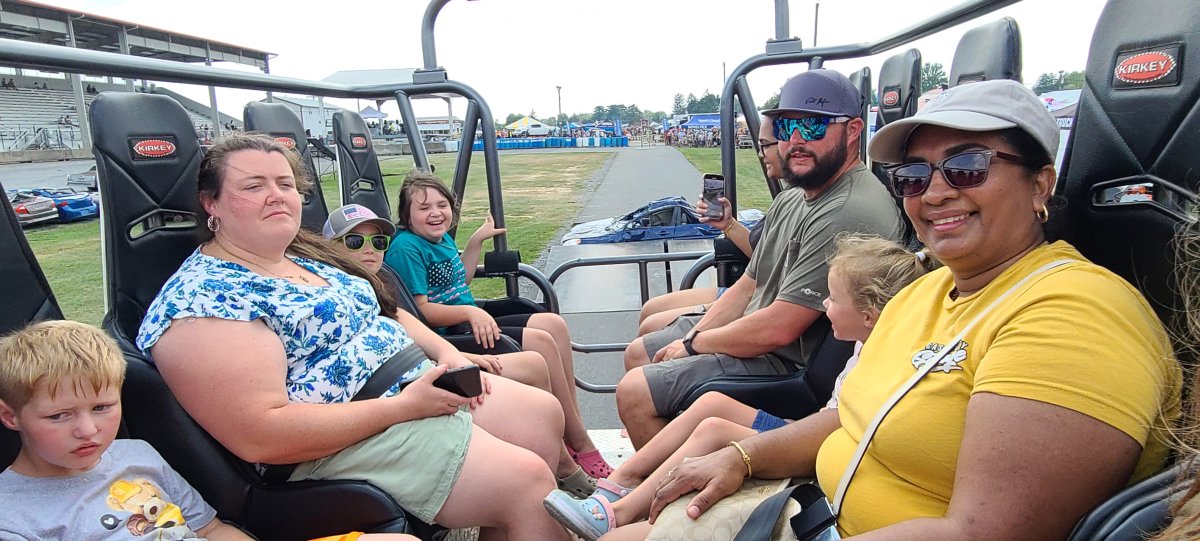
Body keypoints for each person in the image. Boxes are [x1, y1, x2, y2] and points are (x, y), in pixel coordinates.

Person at [635, 79, 1181, 541]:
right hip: (811, 508)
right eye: (914, 176)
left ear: (1040, 183)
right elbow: (847, 420)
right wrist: (743, 458)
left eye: (966, 167)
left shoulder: (1071, 315)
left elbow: (981, 533)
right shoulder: (928, 291)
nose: (934, 192)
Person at [136, 133, 571, 540]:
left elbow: (389, 309)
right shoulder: (205, 300)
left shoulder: (302, 256)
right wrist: (404, 408)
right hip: (342, 435)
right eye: (253, 186)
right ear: (211, 203)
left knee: (541, 417)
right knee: (529, 485)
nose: (276, 195)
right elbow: (262, 434)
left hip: (408, 385)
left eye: (285, 184)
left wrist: (445, 355)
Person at [543, 235, 939, 540]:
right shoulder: (863, 343)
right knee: (712, 404)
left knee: (713, 428)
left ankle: (622, 510)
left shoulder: (878, 359)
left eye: (833, 299)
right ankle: (618, 487)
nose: (824, 305)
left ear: (869, 316)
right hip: (812, 430)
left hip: (810, 442)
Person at [617, 69, 905, 449]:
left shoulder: (848, 208)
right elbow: (750, 282)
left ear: (853, 131)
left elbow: (779, 329)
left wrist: (696, 345)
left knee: (635, 392)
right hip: (764, 340)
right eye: (787, 128)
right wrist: (693, 337)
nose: (796, 141)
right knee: (641, 354)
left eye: (814, 127)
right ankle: (669, 478)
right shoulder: (795, 195)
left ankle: (672, 497)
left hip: (790, 363)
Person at [0, 320, 418, 541]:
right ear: (10, 416)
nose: (88, 430)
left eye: (102, 407)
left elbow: (211, 529)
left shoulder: (137, 455)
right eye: (59, 416)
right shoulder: (13, 517)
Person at [322, 202, 596, 495]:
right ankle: (564, 466)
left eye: (378, 242)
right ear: (327, 248)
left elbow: (412, 329)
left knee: (539, 357)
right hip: (409, 382)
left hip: (433, 357)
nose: (369, 249)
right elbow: (405, 335)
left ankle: (562, 459)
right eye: (354, 241)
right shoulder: (345, 293)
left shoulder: (378, 281)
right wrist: (462, 355)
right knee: (533, 368)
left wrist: (460, 357)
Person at [383, 170, 613, 479]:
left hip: (468, 318)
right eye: (424, 208)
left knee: (553, 325)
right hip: (450, 334)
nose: (435, 213)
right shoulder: (407, 247)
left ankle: (574, 430)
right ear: (407, 216)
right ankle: (578, 443)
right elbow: (421, 311)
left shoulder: (440, 241)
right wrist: (470, 314)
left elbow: (459, 281)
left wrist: (476, 240)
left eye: (442, 205)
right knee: (541, 342)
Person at [634, 116, 783, 337]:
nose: (760, 154)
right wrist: (728, 224)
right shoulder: (787, 200)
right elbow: (761, 255)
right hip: (751, 290)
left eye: (764, 145)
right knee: (649, 309)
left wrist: (695, 338)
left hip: (758, 299)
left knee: (649, 328)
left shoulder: (809, 207)